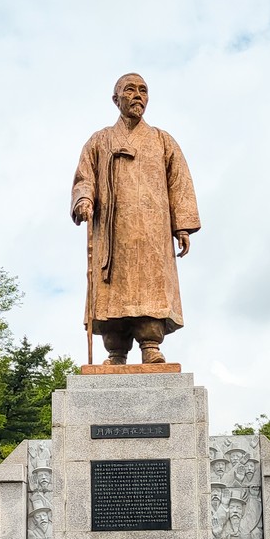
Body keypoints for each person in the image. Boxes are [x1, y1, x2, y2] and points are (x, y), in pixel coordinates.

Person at [71, 73, 200, 365]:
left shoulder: (162, 140)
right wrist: (84, 199)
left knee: (150, 287)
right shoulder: (100, 140)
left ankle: (150, 345)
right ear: (116, 99)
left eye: (143, 90)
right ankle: (116, 351)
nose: (138, 95)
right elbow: (84, 176)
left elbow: (179, 183)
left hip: (152, 231)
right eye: (130, 90)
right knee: (113, 291)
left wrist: (182, 225)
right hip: (112, 232)